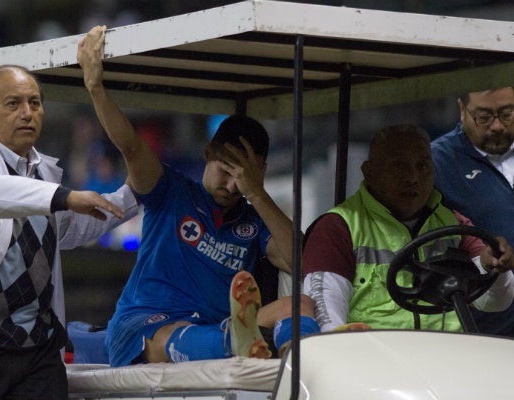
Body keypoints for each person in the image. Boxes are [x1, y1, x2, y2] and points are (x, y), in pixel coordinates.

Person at [77, 26, 319, 367]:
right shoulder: (170, 189)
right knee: (176, 334)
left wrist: (257, 193)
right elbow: (130, 146)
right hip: (144, 328)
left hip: (217, 328)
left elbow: (302, 263)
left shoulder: (253, 219)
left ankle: (311, 357)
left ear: (259, 172)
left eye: (242, 176)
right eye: (225, 169)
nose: (231, 185)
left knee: (301, 304)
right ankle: (237, 343)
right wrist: (95, 86)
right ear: (207, 154)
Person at [0, 64, 139, 400]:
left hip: (38, 349)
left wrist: (135, 196)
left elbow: (69, 227)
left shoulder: (42, 173)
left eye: (35, 103)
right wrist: (63, 197)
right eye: (13, 104)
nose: (27, 113)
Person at [302, 124, 514, 333]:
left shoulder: (452, 223)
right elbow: (327, 318)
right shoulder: (338, 228)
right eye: (399, 166)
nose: (413, 178)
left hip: (447, 358)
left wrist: (493, 267)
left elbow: (495, 303)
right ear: (369, 172)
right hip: (373, 360)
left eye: (423, 166)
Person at [431, 86, 514, 336]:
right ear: (462, 109)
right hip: (482, 328)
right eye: (484, 117)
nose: (497, 126)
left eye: (508, 114)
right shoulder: (437, 163)